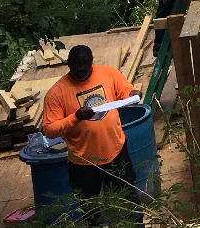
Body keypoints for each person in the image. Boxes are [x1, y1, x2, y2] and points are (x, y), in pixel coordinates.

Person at [42, 45, 142, 221]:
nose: (80, 68)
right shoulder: (56, 93)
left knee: (128, 203)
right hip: (84, 162)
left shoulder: (108, 73)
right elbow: (49, 130)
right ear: (68, 64)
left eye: (85, 64)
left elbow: (124, 90)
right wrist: (75, 118)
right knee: (90, 211)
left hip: (116, 152)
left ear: (92, 62)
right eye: (76, 65)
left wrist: (132, 94)